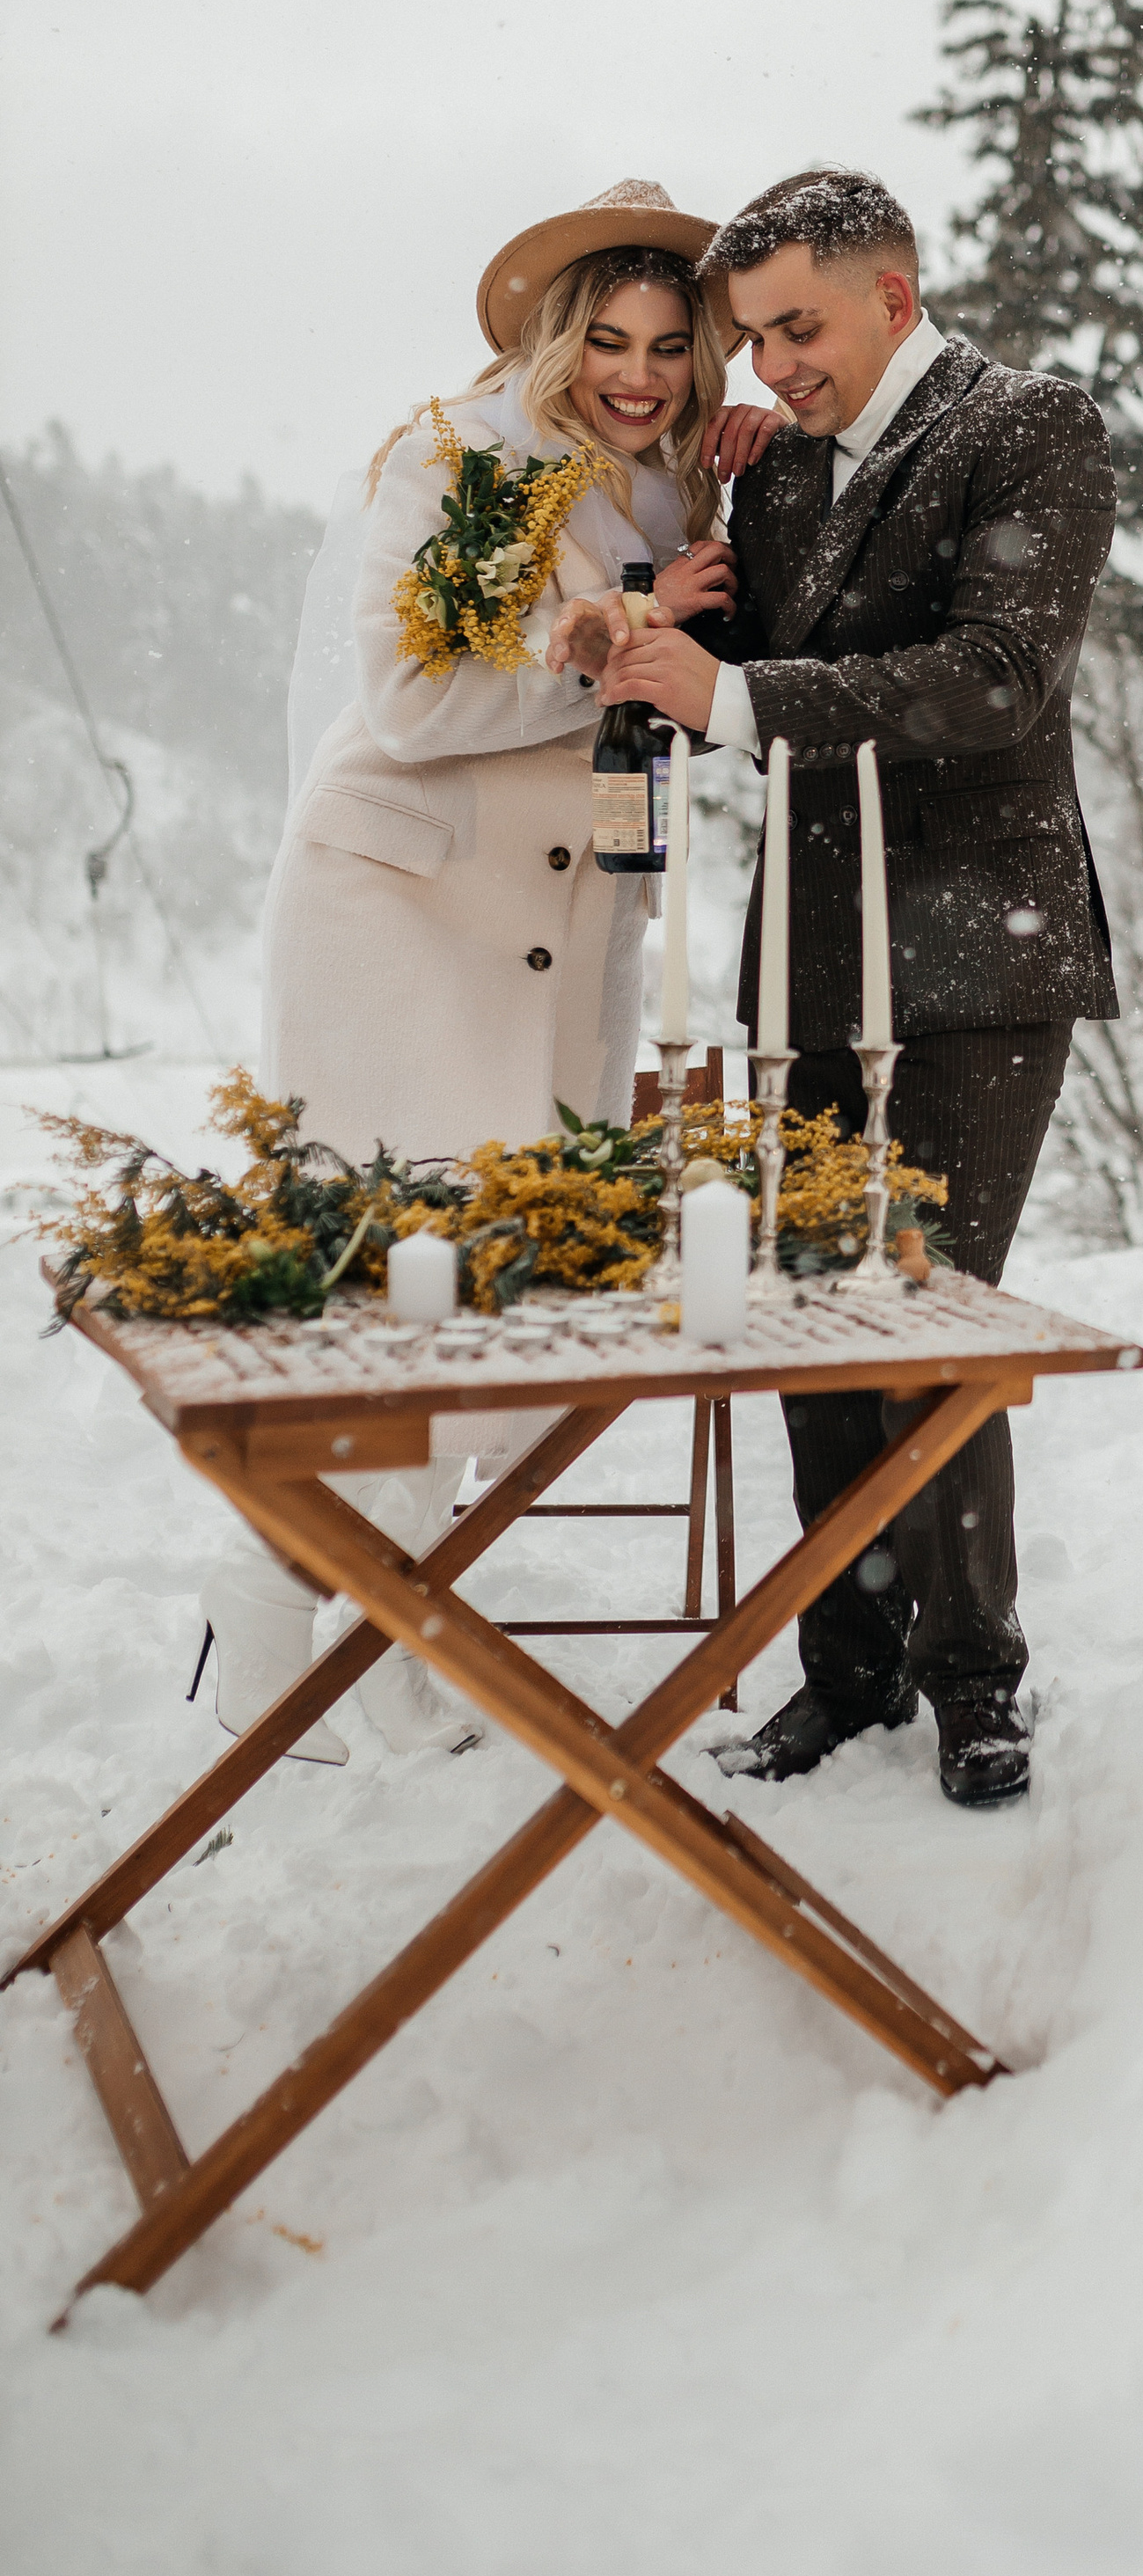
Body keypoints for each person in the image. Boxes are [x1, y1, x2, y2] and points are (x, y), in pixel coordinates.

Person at [552, 165, 1117, 1807]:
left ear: (895, 289)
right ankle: (846, 1667)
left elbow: (999, 677)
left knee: (924, 1307)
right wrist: (689, 567)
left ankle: (975, 1679)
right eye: (755, 340)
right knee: (808, 1312)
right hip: (807, 948)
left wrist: (729, 697)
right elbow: (741, 658)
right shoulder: (780, 471)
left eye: (799, 326)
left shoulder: (1030, 426)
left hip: (978, 950)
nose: (776, 363)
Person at [202, 179, 741, 1766]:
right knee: (385, 1280)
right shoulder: (459, 461)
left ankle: (374, 1622)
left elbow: (647, 727)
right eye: (611, 342)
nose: (635, 377)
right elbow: (420, 708)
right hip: (398, 910)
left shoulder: (679, 496)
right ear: (560, 337)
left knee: (484, 1295)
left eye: (670, 349)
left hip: (562, 934)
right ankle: (284, 1647)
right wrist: (621, 623)